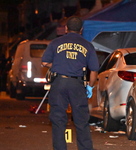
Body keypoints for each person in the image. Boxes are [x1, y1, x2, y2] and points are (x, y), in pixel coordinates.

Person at [41, 16, 99, 150]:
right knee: (81, 121)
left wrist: (58, 65)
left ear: (66, 28)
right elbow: (94, 70)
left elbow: (44, 62)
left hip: (59, 83)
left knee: (58, 120)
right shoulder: (87, 45)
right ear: (81, 30)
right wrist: (90, 86)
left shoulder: (55, 43)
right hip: (77, 84)